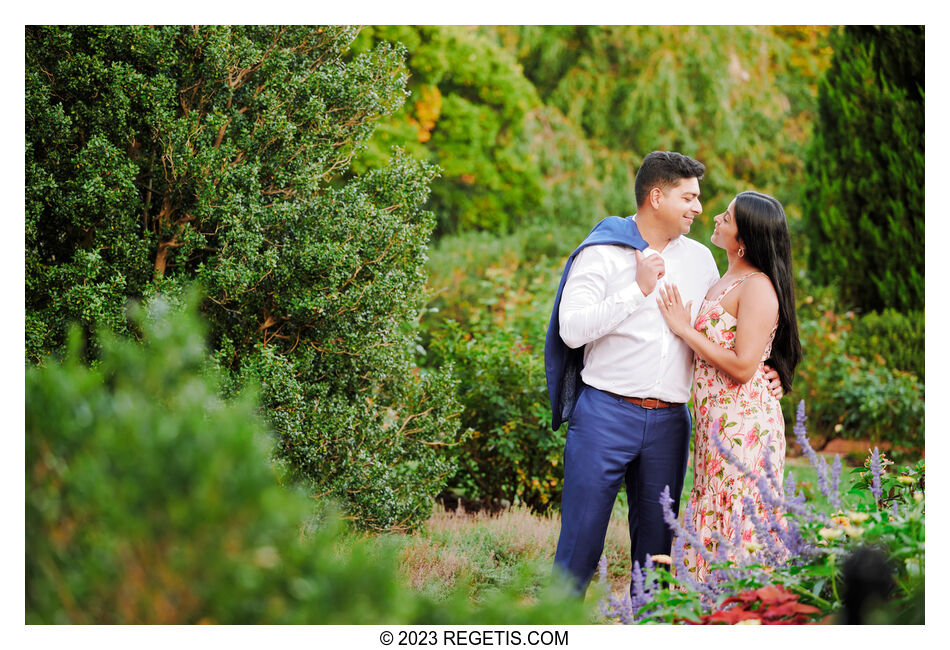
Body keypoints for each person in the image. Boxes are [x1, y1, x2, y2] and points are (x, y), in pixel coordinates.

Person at [545, 152, 783, 597]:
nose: (698, 207)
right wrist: (637, 289)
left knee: (658, 555)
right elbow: (571, 331)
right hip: (605, 415)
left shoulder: (701, 261)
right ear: (657, 196)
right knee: (580, 544)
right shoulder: (603, 252)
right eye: (689, 197)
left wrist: (771, 372)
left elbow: (738, 327)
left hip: (672, 424)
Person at [655, 190, 801, 582]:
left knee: (739, 515)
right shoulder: (726, 278)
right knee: (713, 506)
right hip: (715, 424)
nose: (717, 217)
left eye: (728, 217)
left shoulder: (757, 286)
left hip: (743, 427)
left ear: (745, 240)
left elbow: (741, 366)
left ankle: (739, 612)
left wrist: (684, 329)